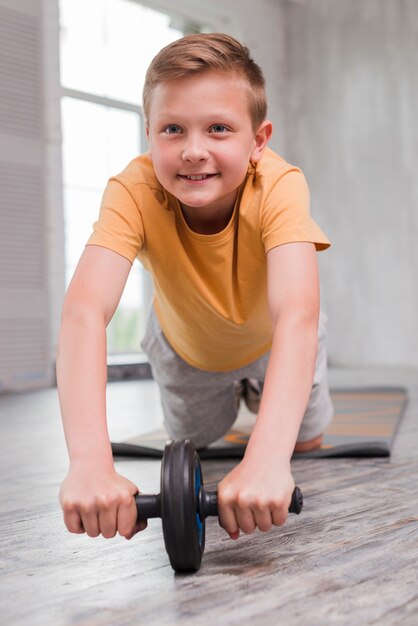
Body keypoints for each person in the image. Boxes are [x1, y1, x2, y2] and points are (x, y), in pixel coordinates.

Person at [57, 33, 333, 543]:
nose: (193, 150)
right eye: (172, 129)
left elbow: (297, 314)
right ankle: (240, 396)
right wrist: (89, 464)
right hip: (187, 348)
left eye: (220, 129)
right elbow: (84, 313)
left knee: (306, 442)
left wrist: (269, 459)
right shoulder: (133, 190)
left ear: (258, 141)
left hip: (274, 339)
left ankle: (264, 398)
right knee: (198, 443)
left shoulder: (279, 184)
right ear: (149, 134)